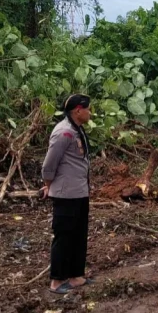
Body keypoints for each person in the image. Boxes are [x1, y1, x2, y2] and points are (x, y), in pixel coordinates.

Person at [41, 94, 94, 295]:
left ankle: (75, 276)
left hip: (79, 191)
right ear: (78, 110)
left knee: (79, 236)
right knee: (63, 237)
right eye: (88, 109)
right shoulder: (63, 133)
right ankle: (56, 281)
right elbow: (49, 164)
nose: (90, 112)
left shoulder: (76, 129)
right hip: (66, 195)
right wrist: (47, 185)